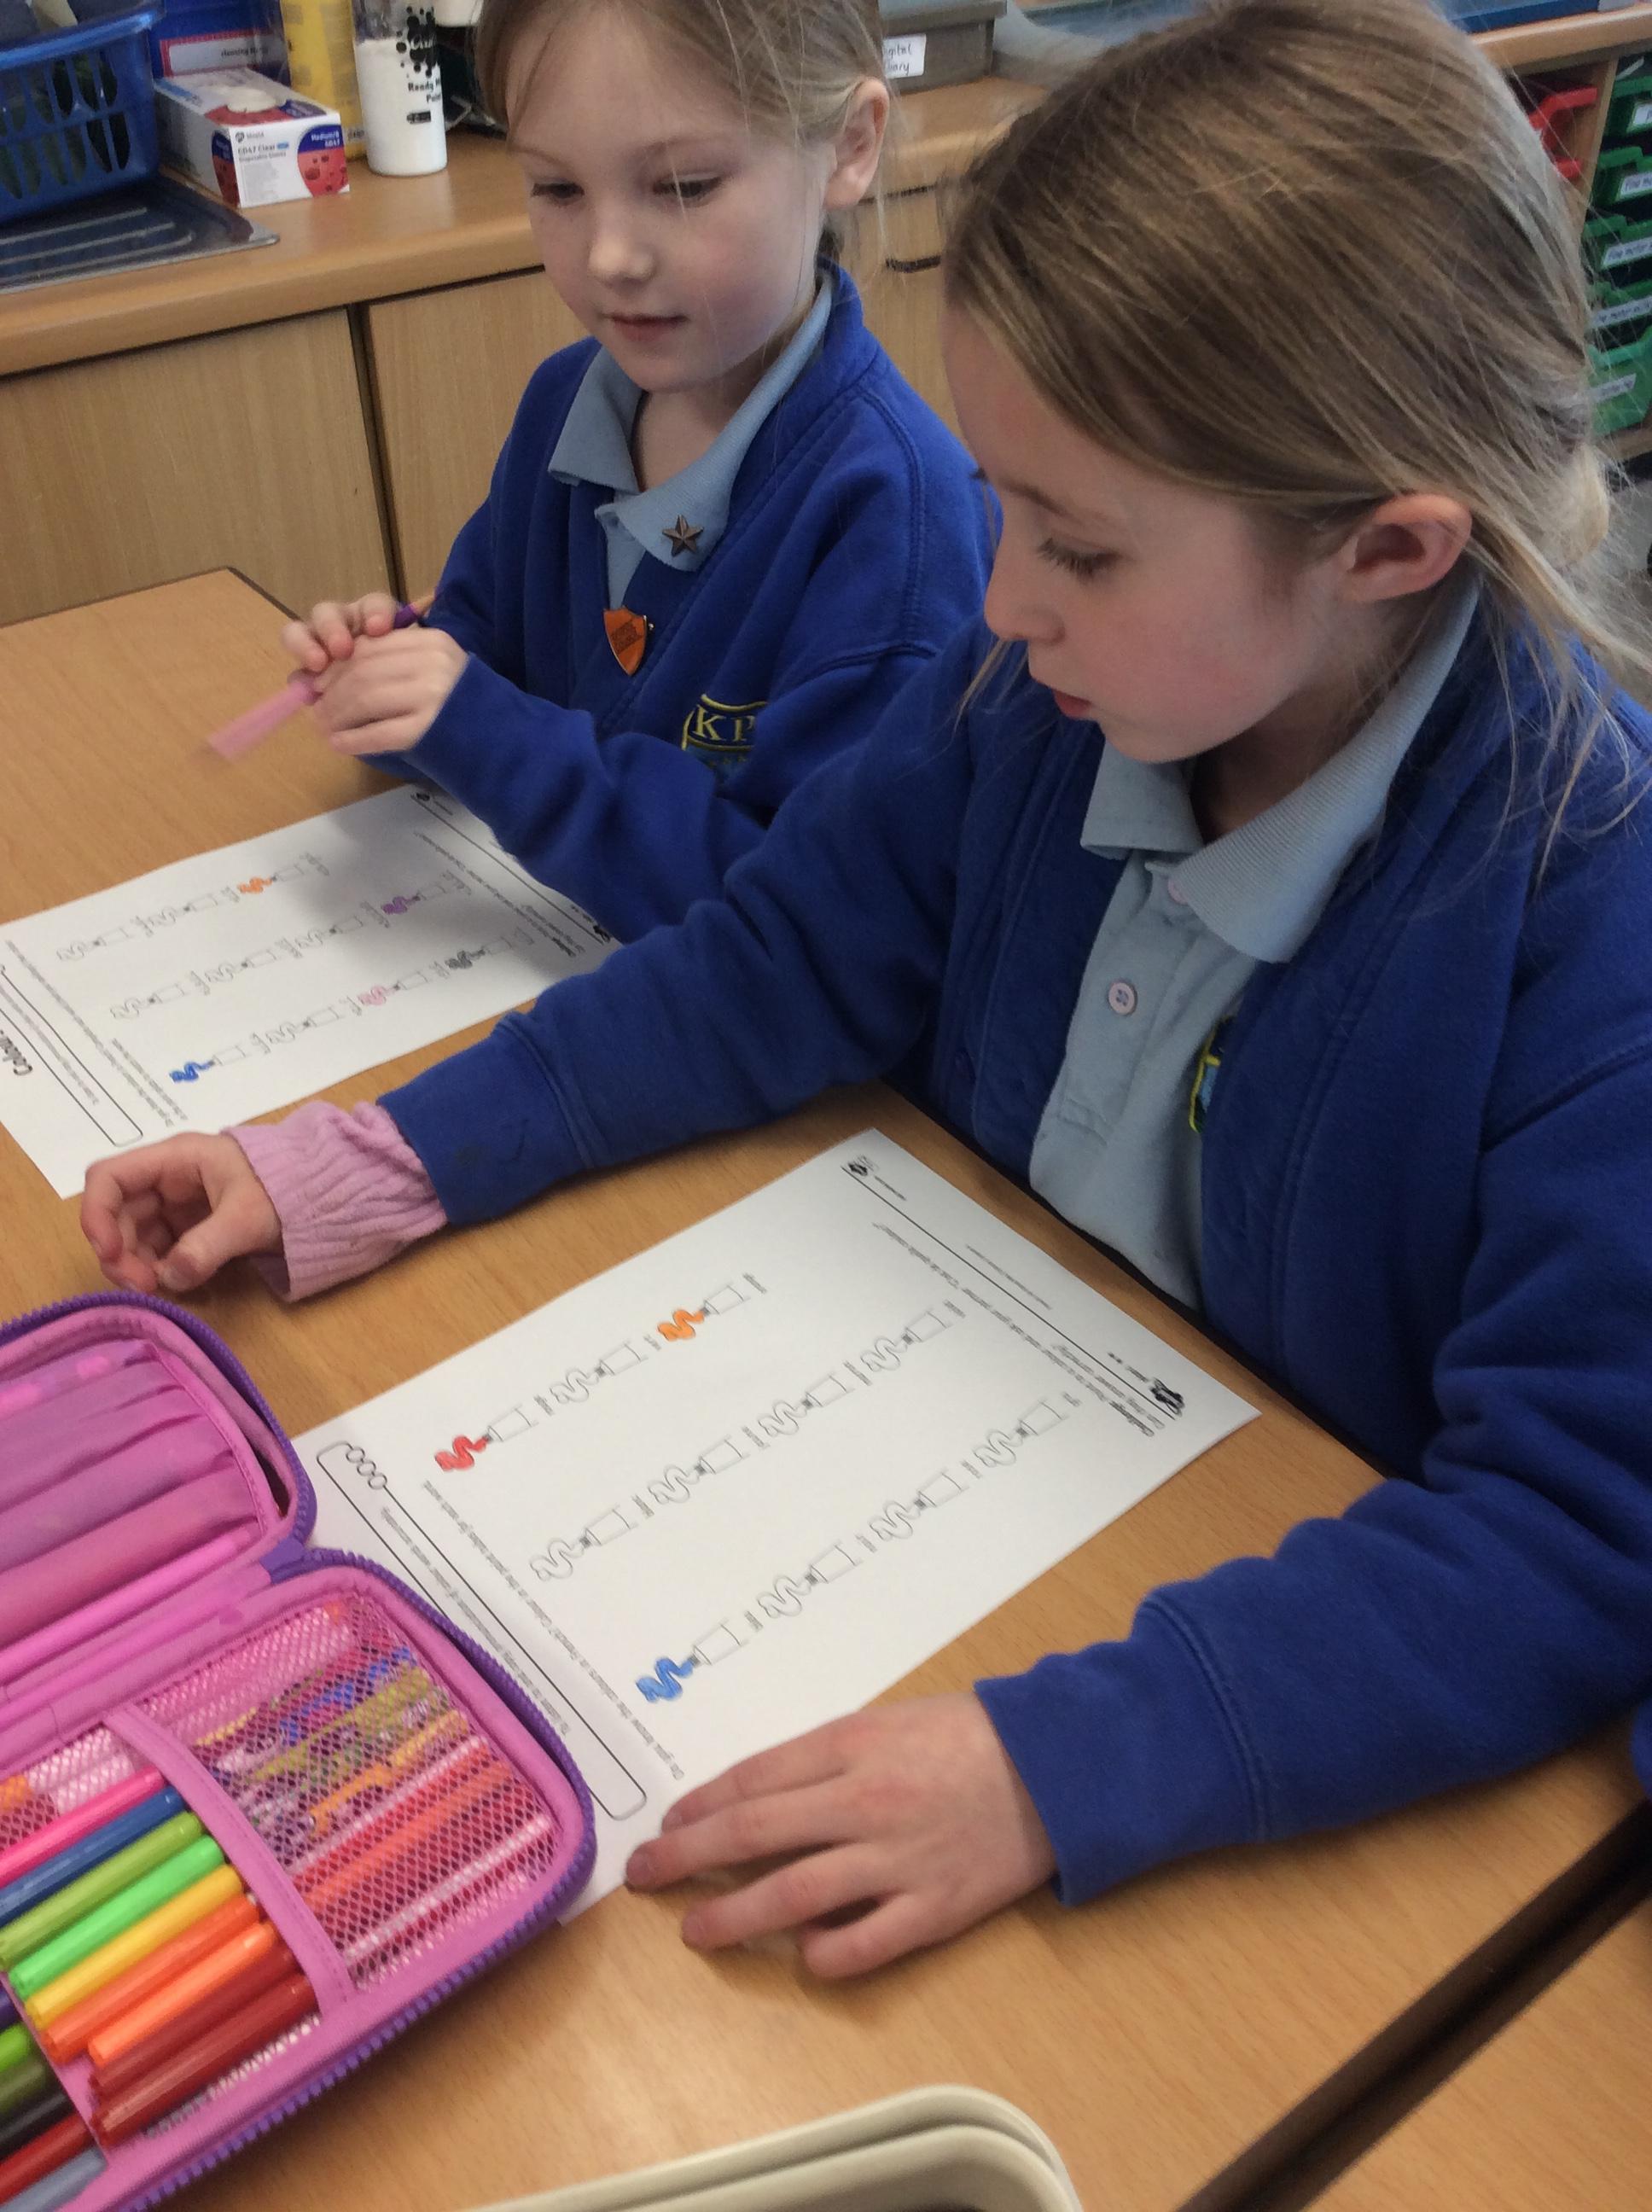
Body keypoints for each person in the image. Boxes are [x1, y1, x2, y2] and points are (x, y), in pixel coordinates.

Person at [84, 0, 1652, 1979]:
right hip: (971, 1428)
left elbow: (1569, 1531)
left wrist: (1057, 1765)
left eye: (1076, 547)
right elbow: (771, 961)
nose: (994, 601)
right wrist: (376, 1158)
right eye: (998, 502)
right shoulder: (1036, 691)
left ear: (1386, 549)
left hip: (1235, 1659)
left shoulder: (1588, 922)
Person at [281, 0, 988, 940]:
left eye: (684, 186)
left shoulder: (894, 523)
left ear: (849, 146)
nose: (609, 257)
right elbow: (491, 647)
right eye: (556, 188)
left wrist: (489, 734)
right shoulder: (564, 402)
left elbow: (816, 930)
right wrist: (402, 676)